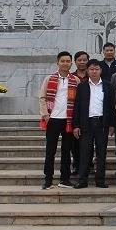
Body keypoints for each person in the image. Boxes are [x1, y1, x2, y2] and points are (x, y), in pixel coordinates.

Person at [38, 51, 79, 189]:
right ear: (58, 63)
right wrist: (46, 115)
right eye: (63, 61)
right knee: (50, 151)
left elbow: (78, 101)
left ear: (71, 63)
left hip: (68, 120)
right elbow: (42, 97)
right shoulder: (49, 79)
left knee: (67, 152)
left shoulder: (75, 80)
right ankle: (48, 179)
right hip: (53, 119)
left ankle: (64, 179)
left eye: (68, 61)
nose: (65, 64)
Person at [73, 59, 116, 189]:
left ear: (101, 71)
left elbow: (111, 106)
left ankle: (100, 180)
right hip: (86, 123)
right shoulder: (82, 86)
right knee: (85, 152)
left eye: (97, 69)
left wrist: (112, 124)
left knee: (101, 153)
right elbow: (77, 107)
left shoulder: (108, 86)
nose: (94, 71)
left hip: (102, 123)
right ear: (87, 70)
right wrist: (76, 125)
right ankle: (82, 180)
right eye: (91, 69)